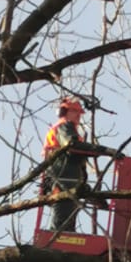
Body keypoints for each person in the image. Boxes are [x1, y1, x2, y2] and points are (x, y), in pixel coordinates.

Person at [42, 96, 103, 231]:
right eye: (74, 111)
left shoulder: (69, 130)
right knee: (61, 227)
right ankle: (53, 247)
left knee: (67, 224)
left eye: (79, 112)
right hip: (63, 181)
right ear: (63, 112)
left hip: (69, 181)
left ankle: (61, 244)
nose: (78, 116)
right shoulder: (63, 127)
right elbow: (73, 145)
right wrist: (102, 150)